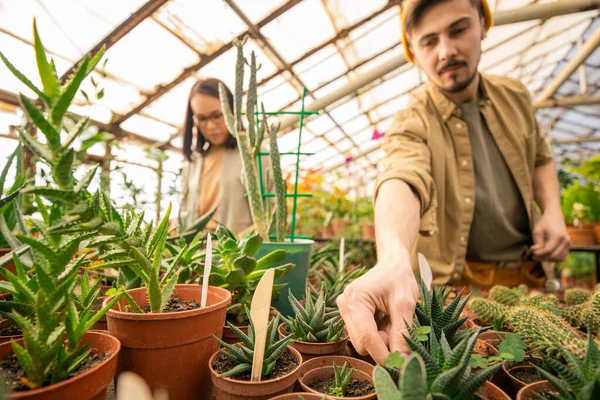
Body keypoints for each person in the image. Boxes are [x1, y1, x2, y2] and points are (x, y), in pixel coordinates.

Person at [336, 0, 571, 365]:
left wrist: (553, 212)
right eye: (429, 41)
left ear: (483, 25)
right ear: (413, 51)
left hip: (526, 281)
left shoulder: (516, 96)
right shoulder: (413, 119)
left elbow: (541, 157)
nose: (446, 51)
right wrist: (394, 258)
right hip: (453, 295)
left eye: (459, 30)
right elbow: (401, 175)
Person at [179, 78, 255, 235]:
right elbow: (186, 210)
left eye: (217, 116)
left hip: (237, 254)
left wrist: (242, 243)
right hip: (194, 254)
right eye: (202, 118)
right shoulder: (195, 161)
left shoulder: (253, 153)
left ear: (232, 111)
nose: (210, 126)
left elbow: (271, 213)